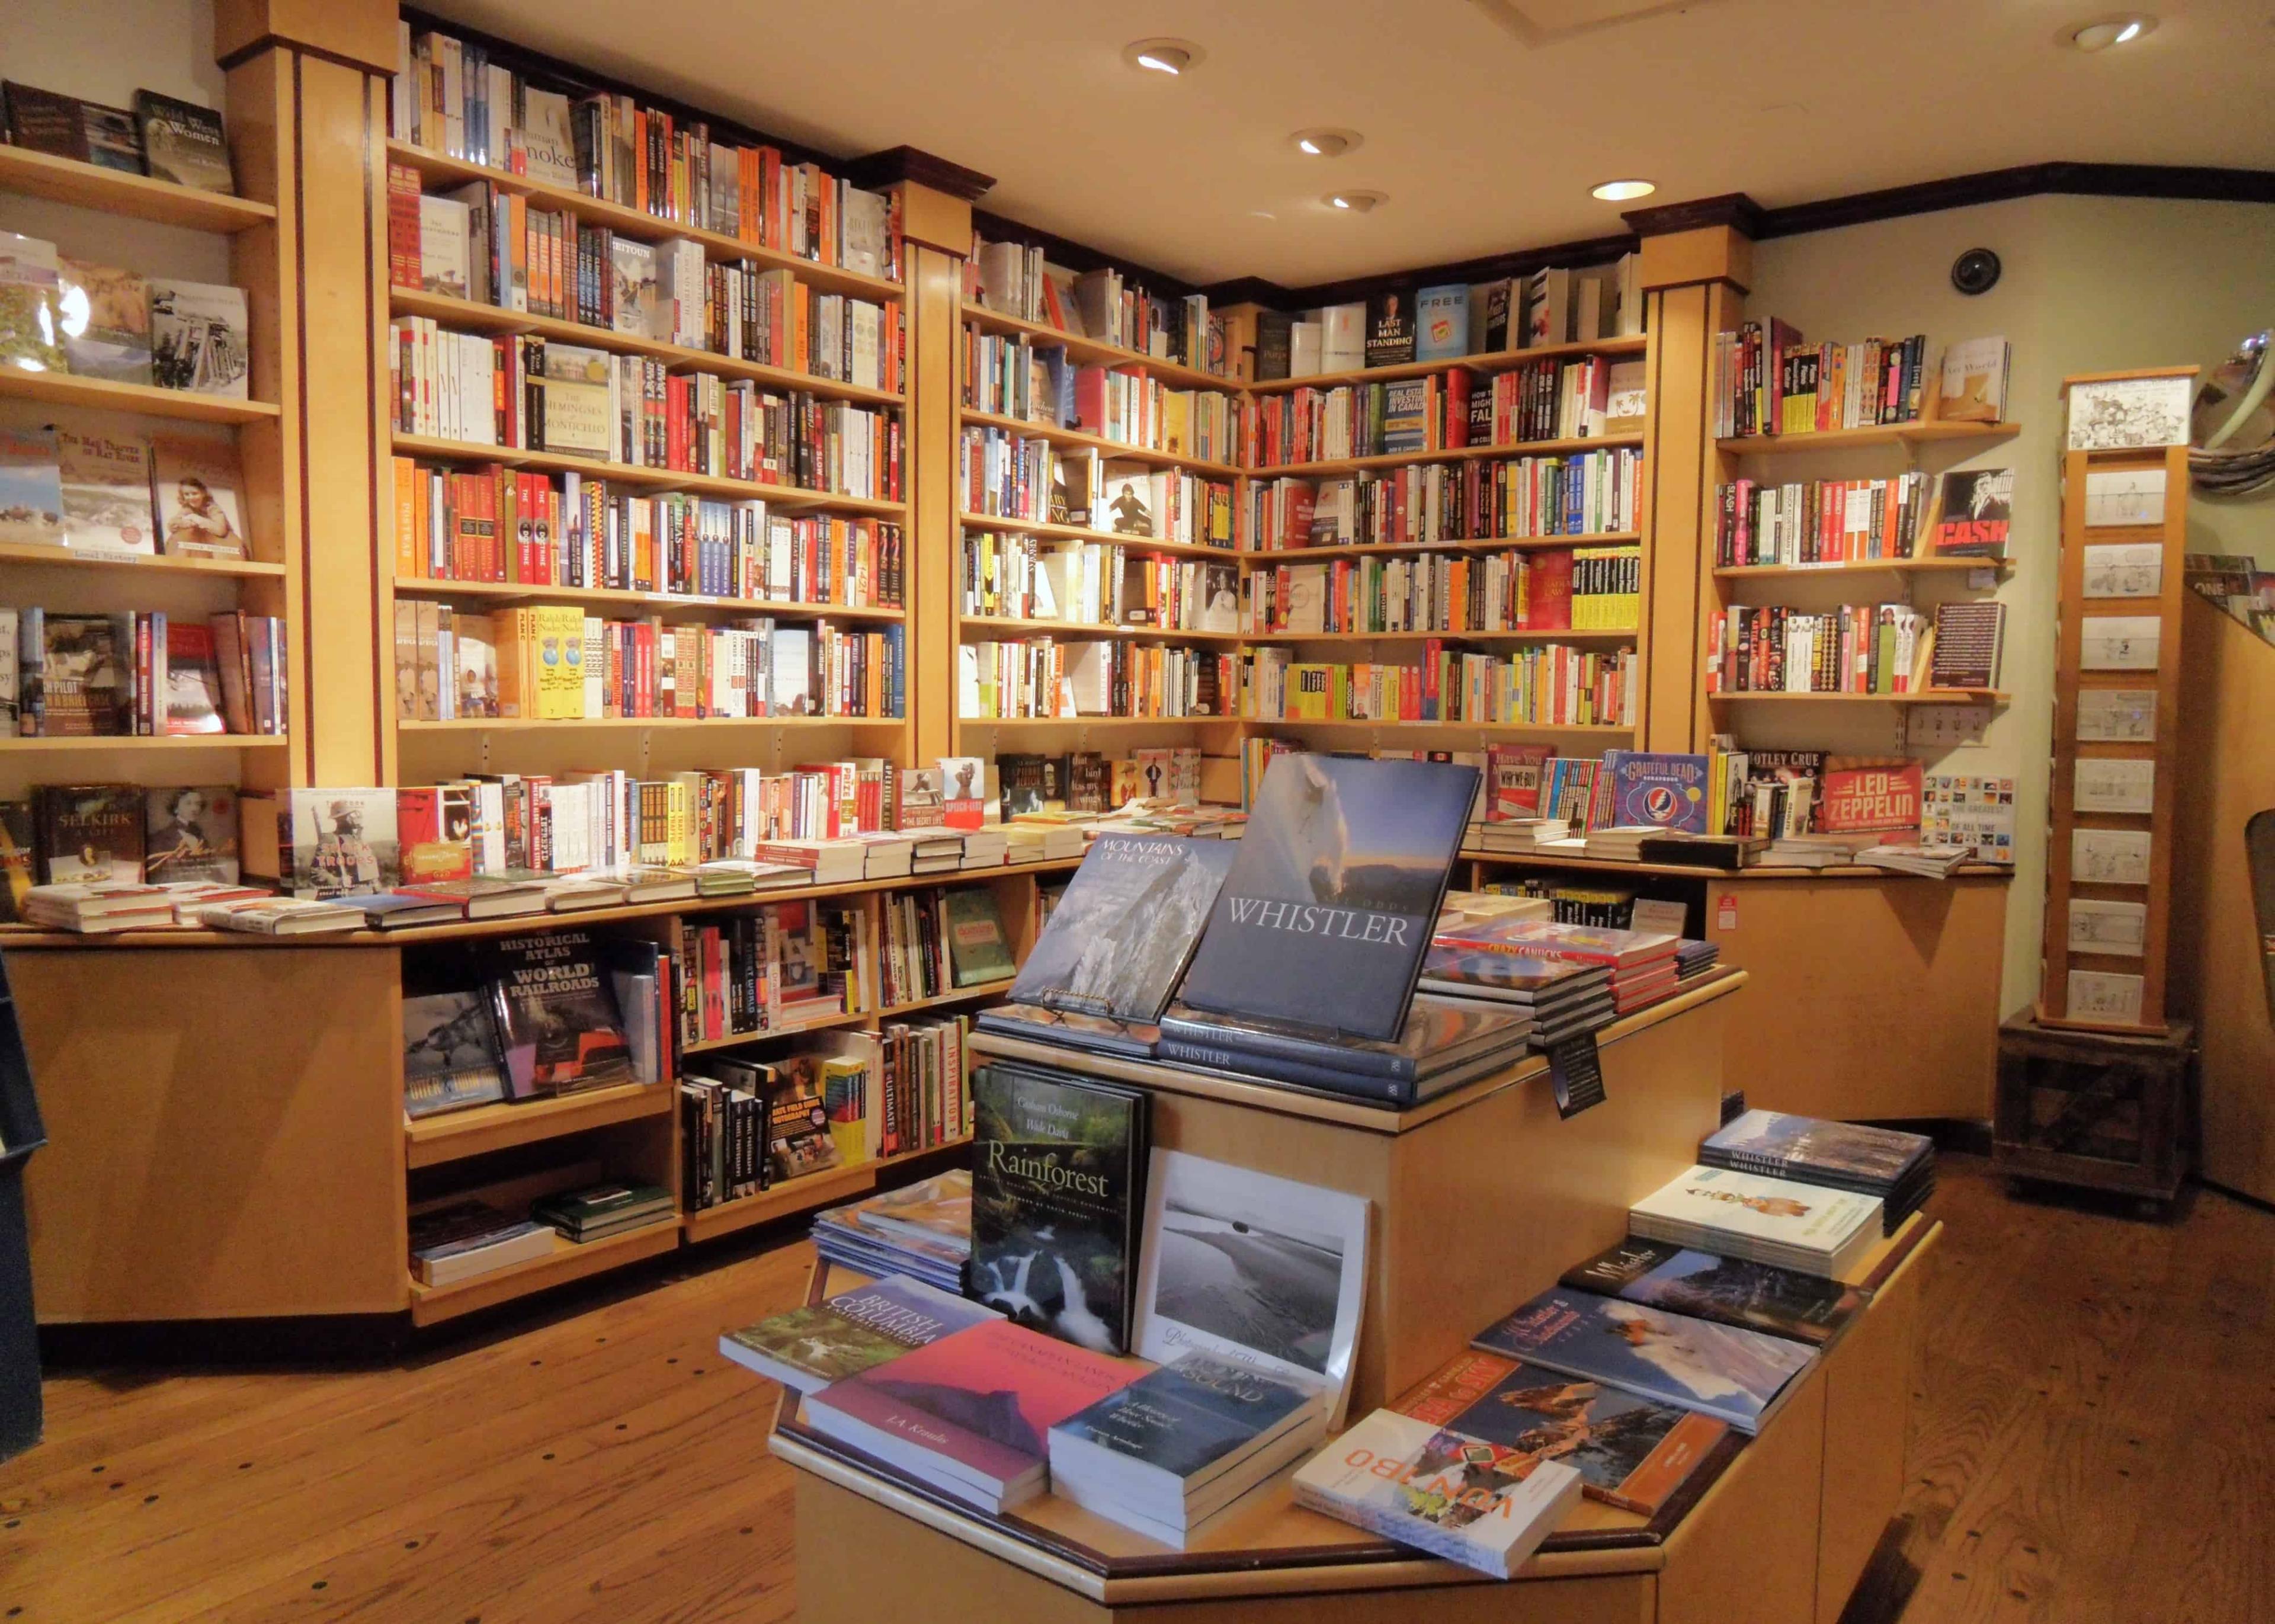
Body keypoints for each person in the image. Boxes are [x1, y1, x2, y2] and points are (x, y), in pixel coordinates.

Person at [162, 474, 237, 555]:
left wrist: (197, 519)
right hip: (200, 541)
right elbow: (173, 523)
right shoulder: (188, 508)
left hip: (219, 540)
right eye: (187, 495)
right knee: (179, 539)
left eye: (195, 494)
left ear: (203, 494)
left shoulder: (212, 508)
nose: (191, 498)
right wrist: (183, 523)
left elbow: (221, 531)